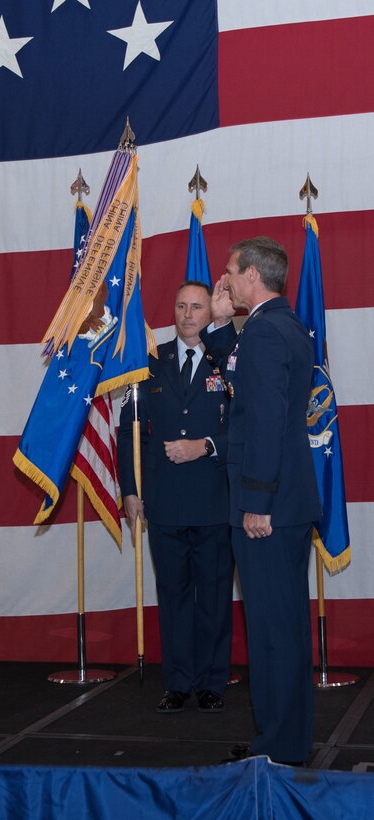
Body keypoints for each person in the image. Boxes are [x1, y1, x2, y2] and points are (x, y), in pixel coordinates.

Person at [203, 237, 321, 765]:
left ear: (253, 275)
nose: (223, 281)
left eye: (230, 272)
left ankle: (280, 747)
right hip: (287, 503)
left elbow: (267, 423)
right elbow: (241, 383)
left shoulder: (267, 333)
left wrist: (257, 502)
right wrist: (224, 324)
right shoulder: (283, 326)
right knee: (281, 627)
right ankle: (282, 739)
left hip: (270, 508)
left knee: (274, 632)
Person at [117, 281, 234, 714]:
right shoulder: (150, 363)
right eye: (181, 305)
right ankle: (179, 681)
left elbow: (246, 425)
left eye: (197, 307)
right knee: (173, 595)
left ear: (211, 311)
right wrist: (130, 488)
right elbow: (129, 432)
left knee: (215, 594)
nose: (188, 314)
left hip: (214, 499)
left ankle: (212, 681)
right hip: (163, 502)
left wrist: (205, 445)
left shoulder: (229, 358)